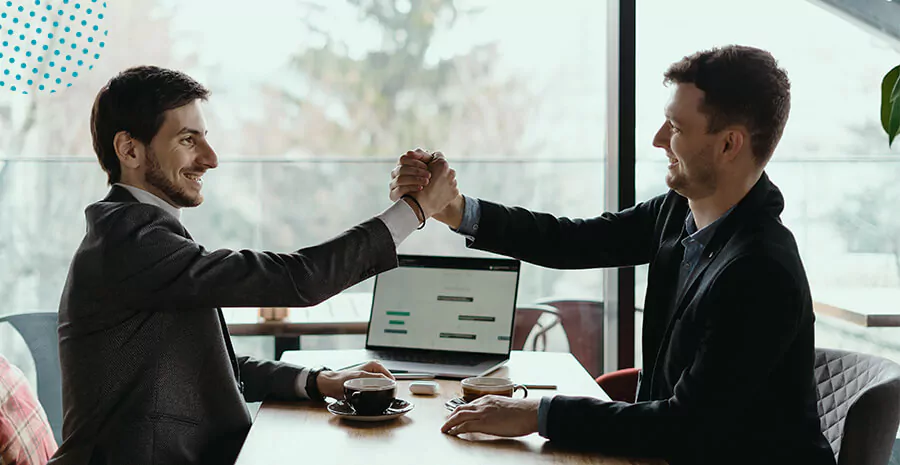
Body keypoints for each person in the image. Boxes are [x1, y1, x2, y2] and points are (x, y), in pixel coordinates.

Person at [390, 46, 836, 465]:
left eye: (676, 128)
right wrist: (455, 210)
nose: (659, 139)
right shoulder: (679, 211)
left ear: (728, 145)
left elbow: (688, 426)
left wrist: (536, 414)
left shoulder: (761, 271)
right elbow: (571, 241)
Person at [50, 65, 458, 465]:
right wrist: (415, 211)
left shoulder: (139, 231)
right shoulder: (130, 238)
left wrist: (316, 381)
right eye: (188, 140)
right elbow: (299, 279)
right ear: (129, 149)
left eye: (205, 138)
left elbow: (209, 365)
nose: (210, 158)